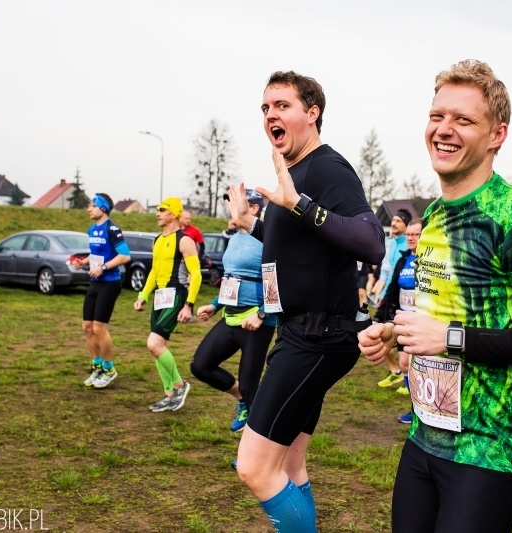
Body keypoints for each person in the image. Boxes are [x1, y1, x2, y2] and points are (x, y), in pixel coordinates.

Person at [358, 60, 512, 532]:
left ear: (496, 135)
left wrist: (452, 338)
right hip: (428, 431)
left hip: (493, 447)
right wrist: (396, 334)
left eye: (463, 120)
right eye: (437, 115)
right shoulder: (438, 213)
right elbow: (442, 315)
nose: (444, 129)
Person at [225, 70, 385, 532]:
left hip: (319, 337)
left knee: (254, 467)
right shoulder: (289, 175)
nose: (271, 115)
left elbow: (372, 242)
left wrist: (300, 205)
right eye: (265, 108)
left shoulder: (325, 167)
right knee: (291, 466)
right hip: (300, 330)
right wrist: (248, 226)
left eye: (283, 105)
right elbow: (293, 249)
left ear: (312, 113)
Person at [191, 189, 276, 432]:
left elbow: (276, 282)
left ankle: (263, 449)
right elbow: (232, 278)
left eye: (237, 205)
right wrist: (215, 305)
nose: (230, 210)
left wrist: (261, 314)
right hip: (230, 317)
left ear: (255, 209)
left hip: (256, 322)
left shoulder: (267, 236)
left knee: (252, 388)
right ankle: (243, 402)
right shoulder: (235, 238)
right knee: (201, 366)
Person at [134, 197, 202, 412]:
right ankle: (169, 394)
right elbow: (154, 271)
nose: (158, 213)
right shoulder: (157, 240)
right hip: (159, 297)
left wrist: (188, 305)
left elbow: (196, 274)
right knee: (158, 348)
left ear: (174, 213)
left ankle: (181, 385)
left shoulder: (185, 240)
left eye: (162, 210)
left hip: (176, 296)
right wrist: (143, 296)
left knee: (153, 344)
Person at [73, 194, 131, 388]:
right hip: (95, 281)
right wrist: (85, 261)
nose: (89, 209)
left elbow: (125, 256)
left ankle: (109, 368)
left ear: (103, 209)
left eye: (93, 205)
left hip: (110, 282)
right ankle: (97, 367)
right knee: (87, 327)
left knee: (99, 328)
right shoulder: (92, 230)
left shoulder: (112, 229)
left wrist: (104, 267)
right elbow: (96, 253)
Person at [375, 218, 422, 422]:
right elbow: (394, 289)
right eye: (409, 234)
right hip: (403, 322)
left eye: (416, 234)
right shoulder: (403, 259)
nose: (411, 238)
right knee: (404, 364)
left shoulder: (428, 261)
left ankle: (419, 410)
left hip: (421, 324)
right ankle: (416, 408)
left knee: (414, 365)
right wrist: (382, 314)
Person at [373, 209, 411, 390]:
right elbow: (386, 273)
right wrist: (380, 294)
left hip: (400, 296)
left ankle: (405, 376)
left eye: (398, 221)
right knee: (377, 331)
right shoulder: (391, 244)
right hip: (388, 294)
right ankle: (394, 370)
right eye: (393, 220)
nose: (394, 223)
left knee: (404, 337)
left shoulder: (410, 245)